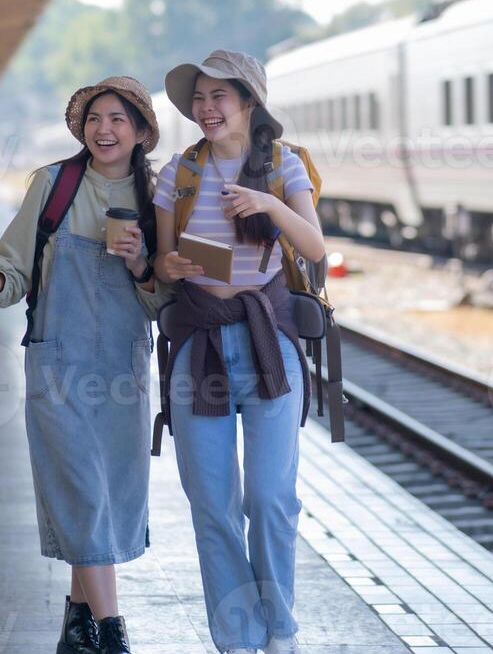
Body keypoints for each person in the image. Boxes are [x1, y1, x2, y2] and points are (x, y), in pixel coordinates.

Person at [0, 77, 171, 654]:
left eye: (118, 120)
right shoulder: (53, 184)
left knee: (107, 493)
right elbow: (15, 260)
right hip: (57, 361)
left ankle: (77, 622)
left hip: (124, 367)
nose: (104, 129)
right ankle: (112, 631)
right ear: (82, 127)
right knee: (80, 487)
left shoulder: (161, 199)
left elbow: (165, 300)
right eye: (95, 118)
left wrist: (139, 265)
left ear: (140, 132)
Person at [152, 50, 326, 654]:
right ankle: (237, 637)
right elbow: (164, 262)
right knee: (212, 504)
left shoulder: (284, 165)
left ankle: (280, 629)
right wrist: (166, 262)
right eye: (197, 99)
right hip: (199, 345)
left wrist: (270, 205)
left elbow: (314, 244)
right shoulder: (179, 171)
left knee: (271, 498)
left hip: (267, 341)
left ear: (248, 101)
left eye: (217, 97)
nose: (205, 109)